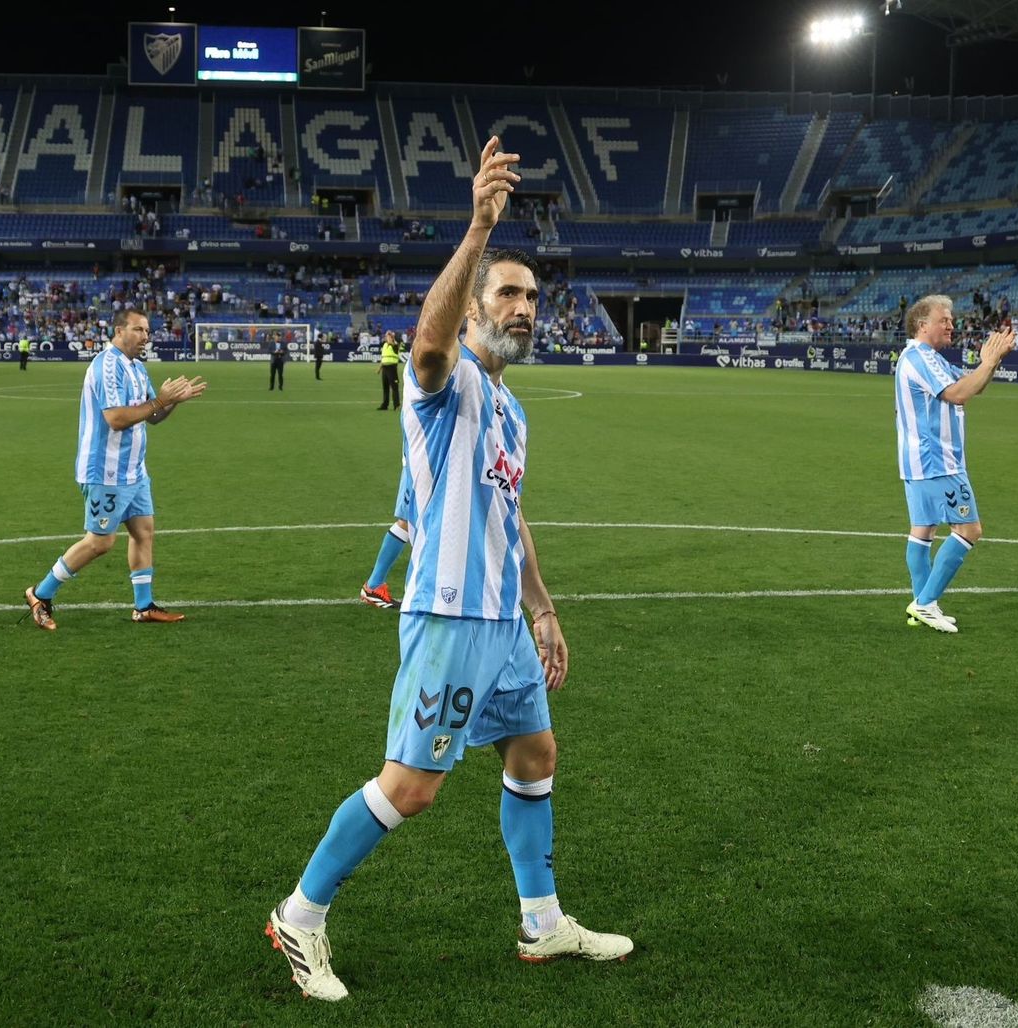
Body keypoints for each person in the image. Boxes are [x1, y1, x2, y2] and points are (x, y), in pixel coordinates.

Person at [265, 137, 632, 1003]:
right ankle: (300, 915)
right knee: (412, 787)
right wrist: (476, 233)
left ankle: (542, 922)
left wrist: (543, 610)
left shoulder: (511, 412)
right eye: (508, 294)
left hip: (504, 623)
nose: (526, 307)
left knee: (535, 753)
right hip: (447, 615)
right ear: (473, 313)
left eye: (534, 296)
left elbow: (512, 518)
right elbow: (426, 343)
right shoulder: (446, 382)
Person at [22, 311, 207, 631]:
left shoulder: (136, 367)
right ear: (119, 331)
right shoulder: (107, 365)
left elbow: (153, 415)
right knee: (100, 542)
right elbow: (116, 418)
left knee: (143, 532)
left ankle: (144, 606)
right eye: (138, 330)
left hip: (134, 471)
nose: (146, 336)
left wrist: (173, 400)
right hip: (105, 471)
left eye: (148, 331)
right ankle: (40, 594)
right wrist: (160, 400)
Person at [894, 296, 1015, 633]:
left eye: (951, 319)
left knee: (923, 531)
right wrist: (988, 361)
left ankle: (921, 604)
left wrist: (990, 363)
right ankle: (925, 603)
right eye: (943, 319)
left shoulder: (929, 359)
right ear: (922, 325)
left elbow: (972, 386)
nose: (951, 324)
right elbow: (959, 394)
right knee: (969, 529)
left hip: (919, 463)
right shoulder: (920, 357)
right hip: (938, 462)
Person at [359, 461, 413, 609]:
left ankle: (375, 584)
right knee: (410, 522)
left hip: (425, 460)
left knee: (412, 522)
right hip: (420, 462)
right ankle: (374, 585)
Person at [375, 331, 400, 410]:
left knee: (394, 387)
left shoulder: (395, 345)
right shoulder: (385, 345)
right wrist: (379, 368)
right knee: (385, 387)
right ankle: (385, 405)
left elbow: (395, 348)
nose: (386, 338)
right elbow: (383, 358)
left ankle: (396, 405)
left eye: (388, 336)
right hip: (385, 368)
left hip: (392, 368)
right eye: (386, 336)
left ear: (392, 337)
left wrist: (391, 342)